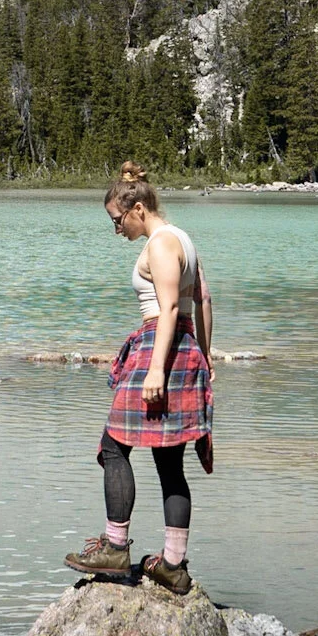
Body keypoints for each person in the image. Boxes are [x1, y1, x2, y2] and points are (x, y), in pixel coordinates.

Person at [63, 161, 214, 594]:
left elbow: (168, 308)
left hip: (159, 348)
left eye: (117, 220)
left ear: (138, 208)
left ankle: (114, 548)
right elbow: (203, 301)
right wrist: (203, 355)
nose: (117, 230)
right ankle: (172, 565)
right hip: (181, 349)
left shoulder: (163, 243)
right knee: (169, 463)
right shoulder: (184, 238)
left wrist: (155, 370)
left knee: (114, 446)